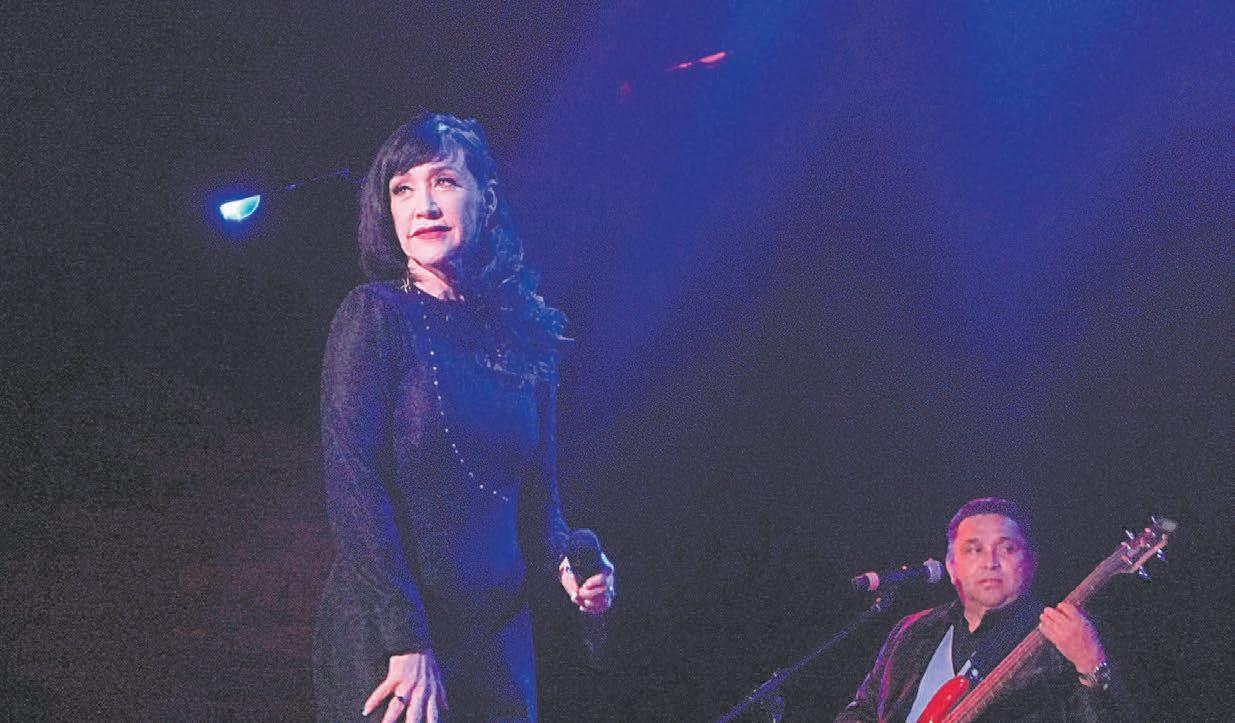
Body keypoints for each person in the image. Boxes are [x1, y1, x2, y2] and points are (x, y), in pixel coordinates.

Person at [314, 112, 615, 722]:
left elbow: (539, 504)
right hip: (396, 639)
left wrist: (572, 568)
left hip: (497, 640)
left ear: (487, 199)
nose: (423, 206)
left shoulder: (529, 337)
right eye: (402, 189)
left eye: (444, 182)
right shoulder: (375, 317)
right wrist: (405, 639)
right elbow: (353, 484)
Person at [835, 497, 1133, 722]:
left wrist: (1093, 666)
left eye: (1007, 548)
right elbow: (863, 708)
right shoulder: (914, 629)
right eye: (974, 549)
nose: (990, 562)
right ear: (951, 566)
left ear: (1030, 561)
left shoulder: (1069, 634)